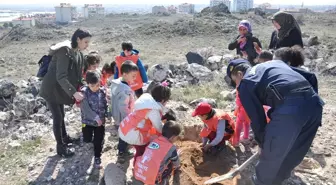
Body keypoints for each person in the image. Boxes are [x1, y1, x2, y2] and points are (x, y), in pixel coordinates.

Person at [226, 59, 324, 185]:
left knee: (268, 161)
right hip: (314, 105)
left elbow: (257, 118)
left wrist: (263, 144)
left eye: (235, 82)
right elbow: (311, 76)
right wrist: (309, 102)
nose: (237, 87)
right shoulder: (274, 63)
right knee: (292, 154)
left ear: (239, 74)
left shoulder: (246, 82)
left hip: (290, 110)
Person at [39, 29, 92, 157]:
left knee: (61, 115)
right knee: (58, 117)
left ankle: (65, 138)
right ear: (78, 39)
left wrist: (85, 86)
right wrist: (73, 93)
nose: (87, 45)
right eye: (85, 42)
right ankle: (60, 148)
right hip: (51, 89)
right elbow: (61, 77)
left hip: (60, 89)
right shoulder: (65, 51)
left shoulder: (78, 53)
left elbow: (78, 75)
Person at [118, 84, 171, 165]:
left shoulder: (146, 101)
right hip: (132, 133)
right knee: (142, 148)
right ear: (163, 100)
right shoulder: (153, 110)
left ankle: (122, 152)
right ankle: (138, 166)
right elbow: (159, 127)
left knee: (145, 135)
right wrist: (167, 130)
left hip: (124, 127)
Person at [133, 121, 181, 185]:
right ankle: (162, 182)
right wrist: (177, 155)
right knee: (170, 166)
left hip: (140, 171)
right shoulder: (171, 148)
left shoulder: (155, 140)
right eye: (177, 137)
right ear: (173, 137)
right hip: (152, 176)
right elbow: (176, 163)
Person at [111, 60, 138, 156]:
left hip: (117, 115)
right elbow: (123, 106)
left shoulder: (117, 84)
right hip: (124, 117)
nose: (135, 78)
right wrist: (129, 117)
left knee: (123, 133)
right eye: (133, 76)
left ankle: (122, 149)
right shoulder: (124, 90)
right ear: (125, 74)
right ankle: (122, 151)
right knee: (125, 134)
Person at [80, 71, 107, 168]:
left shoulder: (102, 91)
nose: (96, 88)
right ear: (88, 84)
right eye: (93, 86)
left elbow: (105, 104)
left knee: (98, 140)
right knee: (87, 138)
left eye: (98, 85)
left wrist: (107, 114)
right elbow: (85, 108)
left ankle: (97, 156)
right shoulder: (84, 93)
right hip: (87, 122)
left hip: (100, 123)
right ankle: (89, 140)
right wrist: (95, 117)